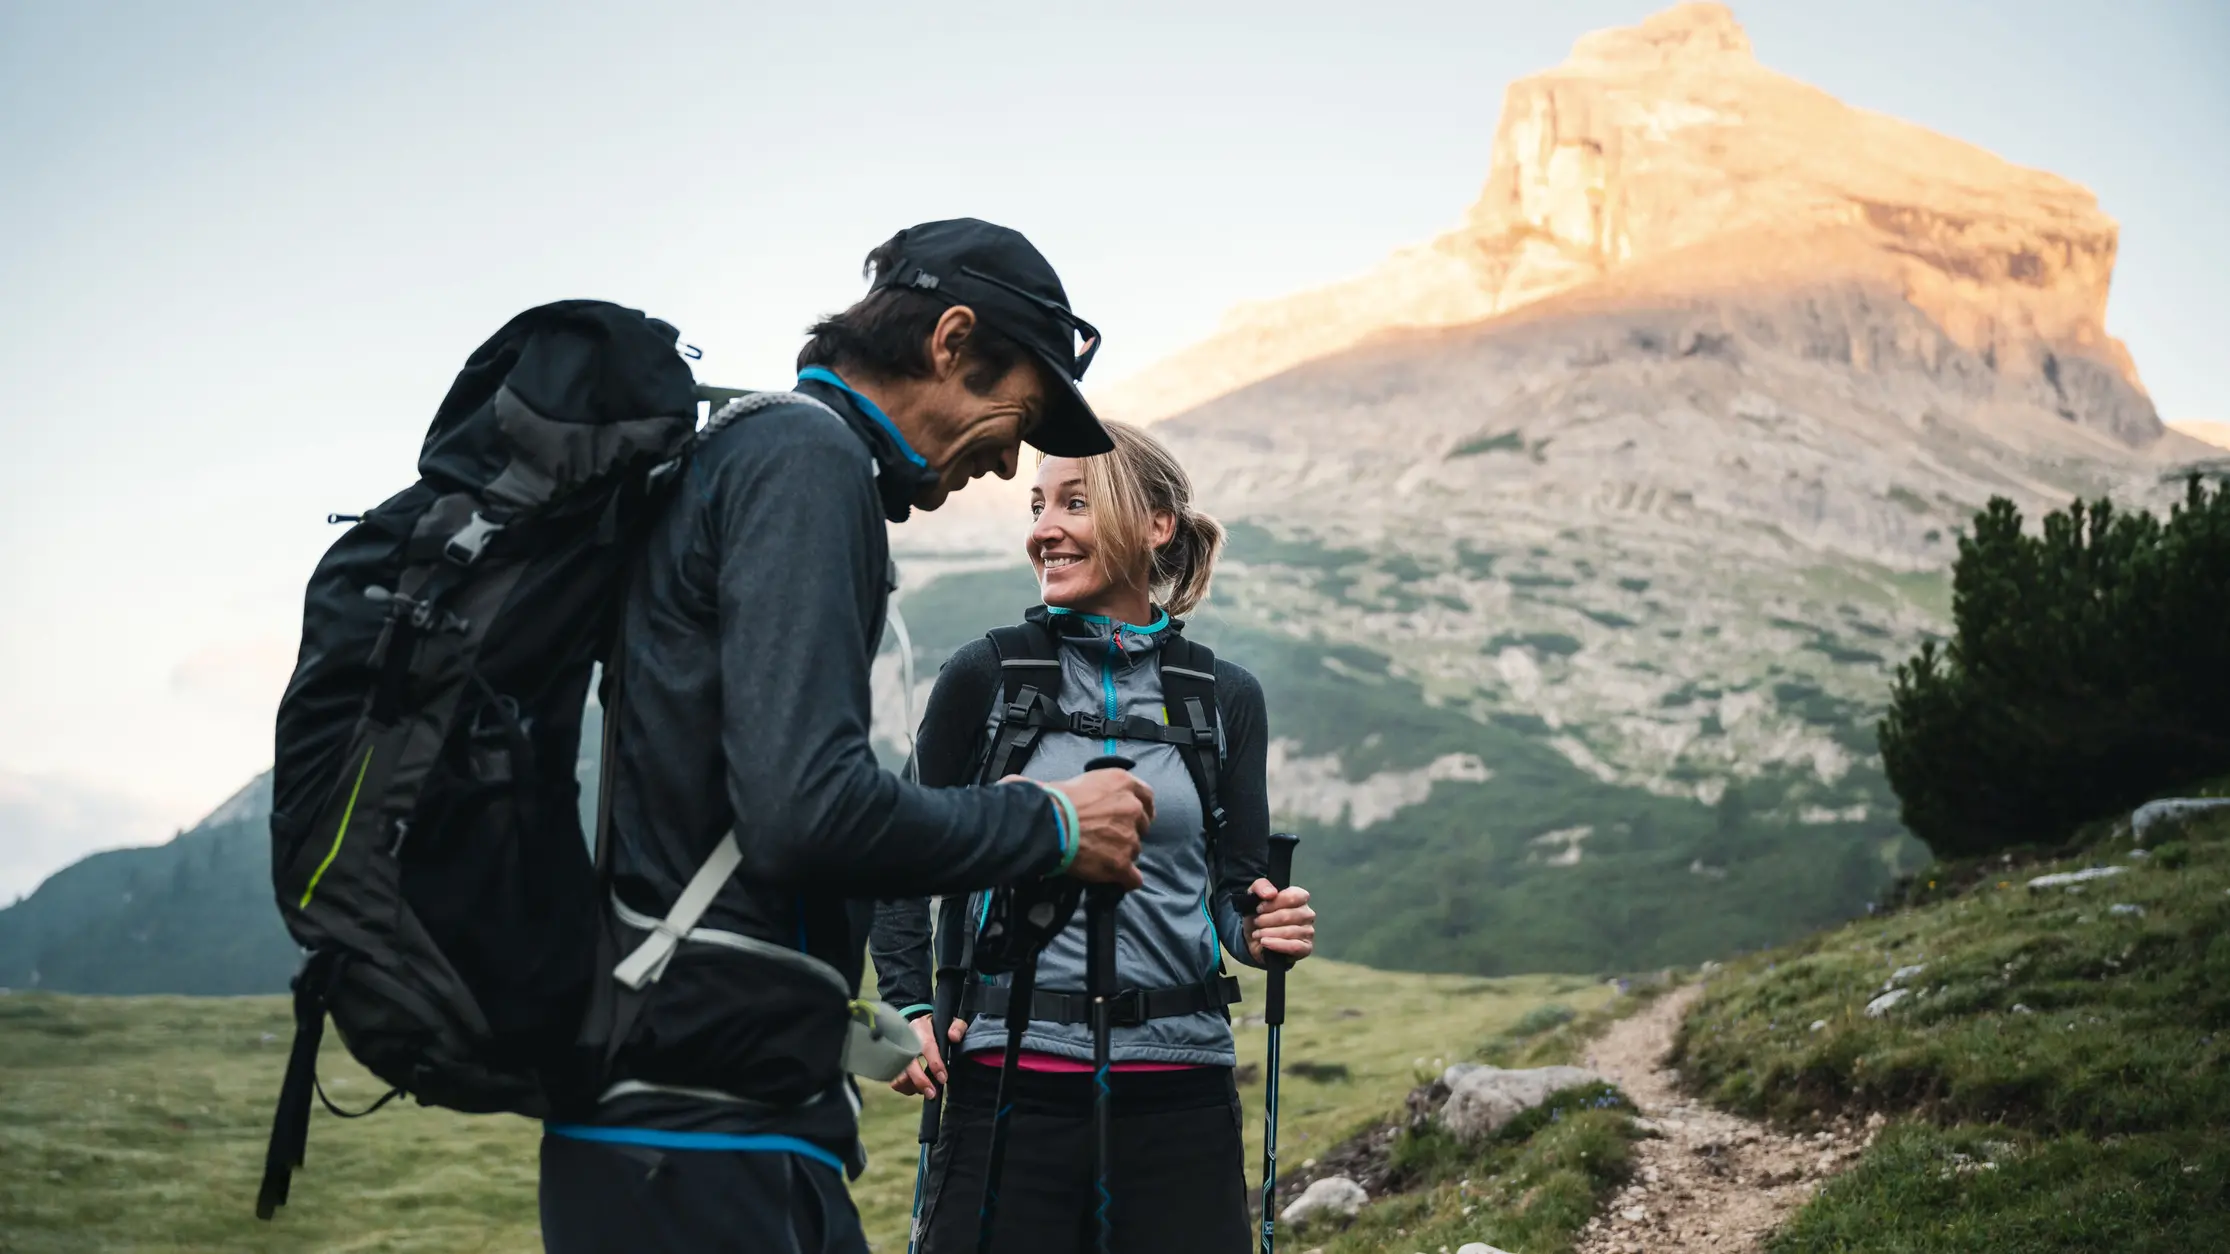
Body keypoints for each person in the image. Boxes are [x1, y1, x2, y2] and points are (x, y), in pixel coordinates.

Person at [538, 220, 1155, 1254]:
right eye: (1021, 417)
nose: (1010, 465)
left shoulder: (758, 451)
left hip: (709, 1107)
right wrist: (1049, 827)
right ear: (951, 341)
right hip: (700, 1132)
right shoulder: (803, 461)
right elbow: (804, 811)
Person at [872, 420, 1319, 1253]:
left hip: (1181, 1088)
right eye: (1037, 504)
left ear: (1157, 525)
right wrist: (910, 1006)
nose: (1044, 527)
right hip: (1006, 1079)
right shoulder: (989, 675)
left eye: (1075, 502)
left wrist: (1259, 930)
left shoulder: (1223, 697)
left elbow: (1231, 890)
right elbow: (900, 854)